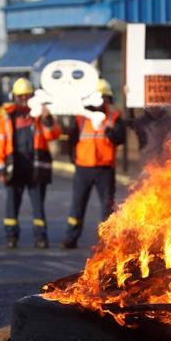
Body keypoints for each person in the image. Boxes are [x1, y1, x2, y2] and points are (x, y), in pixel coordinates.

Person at [0, 77, 61, 249]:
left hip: (35, 168)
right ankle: (11, 236)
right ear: (14, 96)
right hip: (13, 168)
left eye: (27, 96)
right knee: (11, 206)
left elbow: (52, 135)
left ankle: (40, 237)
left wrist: (47, 119)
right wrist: (0, 169)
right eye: (20, 96)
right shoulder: (7, 117)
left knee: (38, 206)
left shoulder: (39, 116)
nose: (24, 99)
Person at [62, 79, 126, 249]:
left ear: (108, 99)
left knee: (107, 207)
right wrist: (74, 160)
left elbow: (120, 138)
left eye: (103, 98)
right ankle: (71, 237)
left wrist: (107, 129)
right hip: (83, 168)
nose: (101, 102)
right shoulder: (81, 117)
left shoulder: (114, 117)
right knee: (77, 205)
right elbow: (71, 140)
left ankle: (107, 242)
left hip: (105, 168)